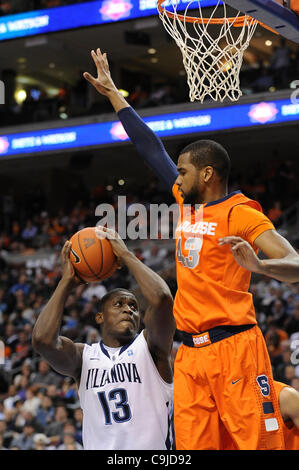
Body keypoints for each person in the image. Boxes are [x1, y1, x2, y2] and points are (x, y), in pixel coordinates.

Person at [83, 48, 299, 450]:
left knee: (258, 445)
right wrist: (114, 93)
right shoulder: (186, 201)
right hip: (191, 353)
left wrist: (261, 266)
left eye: (183, 172)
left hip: (235, 347)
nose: (175, 178)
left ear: (207, 173)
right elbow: (151, 149)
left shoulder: (240, 212)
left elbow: (295, 263)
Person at [32, 226, 175, 450]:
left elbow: (162, 299)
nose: (128, 310)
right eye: (119, 305)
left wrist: (126, 255)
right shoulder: (83, 357)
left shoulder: (150, 347)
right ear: (99, 316)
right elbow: (42, 340)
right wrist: (66, 282)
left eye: (134, 307)